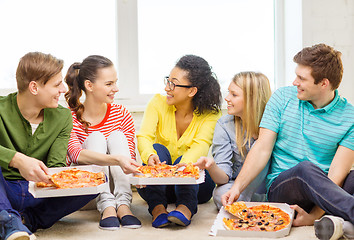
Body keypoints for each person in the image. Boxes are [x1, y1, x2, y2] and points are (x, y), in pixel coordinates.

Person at [221, 44, 354, 240]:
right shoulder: (282, 98)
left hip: (326, 194)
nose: (294, 82)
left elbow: (336, 173)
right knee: (305, 170)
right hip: (285, 188)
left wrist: (314, 216)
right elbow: (262, 148)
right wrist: (236, 188)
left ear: (324, 83)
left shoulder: (349, 116)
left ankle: (341, 224)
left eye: (302, 78)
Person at [0, 52, 96, 240]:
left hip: (38, 192)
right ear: (34, 87)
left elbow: (56, 165)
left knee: (94, 182)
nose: (63, 89)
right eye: (56, 84)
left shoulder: (63, 116)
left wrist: (55, 180)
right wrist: (16, 159)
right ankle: (8, 220)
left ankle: (24, 221)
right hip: (3, 190)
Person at [136, 55, 222, 228]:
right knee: (157, 149)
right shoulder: (157, 103)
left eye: (173, 84)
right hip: (158, 185)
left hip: (195, 186)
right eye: (168, 81)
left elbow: (201, 146)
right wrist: (150, 156)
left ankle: (185, 208)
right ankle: (158, 209)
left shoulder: (211, 115)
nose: (167, 88)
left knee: (188, 163)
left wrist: (179, 169)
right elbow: (144, 136)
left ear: (192, 91)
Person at [65, 55, 141, 230]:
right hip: (88, 188)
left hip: (118, 183)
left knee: (116, 136)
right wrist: (116, 159)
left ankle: (123, 205)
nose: (116, 89)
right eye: (109, 84)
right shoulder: (69, 117)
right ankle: (107, 206)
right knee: (96, 137)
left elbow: (129, 154)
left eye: (115, 82)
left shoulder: (121, 113)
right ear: (89, 85)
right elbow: (75, 154)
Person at [195, 72, 272, 210]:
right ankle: (258, 204)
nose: (227, 98)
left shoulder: (272, 125)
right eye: (228, 93)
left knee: (260, 150)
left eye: (234, 95)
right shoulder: (224, 125)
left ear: (252, 99)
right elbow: (223, 179)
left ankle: (247, 203)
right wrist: (212, 166)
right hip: (237, 186)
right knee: (219, 194)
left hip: (268, 186)